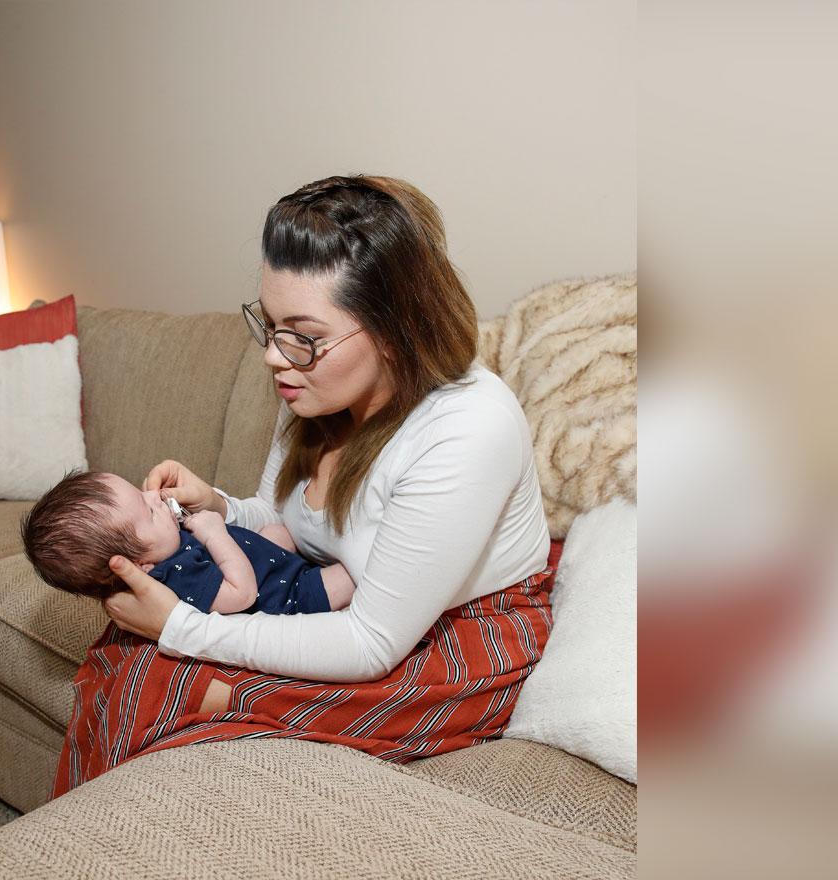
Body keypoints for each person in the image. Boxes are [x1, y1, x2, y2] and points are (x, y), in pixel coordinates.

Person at [54, 174, 554, 797]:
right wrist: (215, 504)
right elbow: (284, 518)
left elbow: (371, 641)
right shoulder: (315, 389)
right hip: (326, 591)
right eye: (270, 326)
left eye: (304, 336)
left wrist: (181, 627)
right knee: (124, 659)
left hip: (448, 630)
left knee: (177, 683)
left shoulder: (467, 428)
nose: (273, 355)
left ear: (397, 330)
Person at [19, 469, 356, 614]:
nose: (154, 495)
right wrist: (214, 533)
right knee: (353, 572)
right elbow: (241, 593)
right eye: (149, 511)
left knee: (277, 533)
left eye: (142, 492)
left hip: (267, 564)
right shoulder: (177, 580)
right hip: (288, 598)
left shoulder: (163, 546)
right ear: (141, 567)